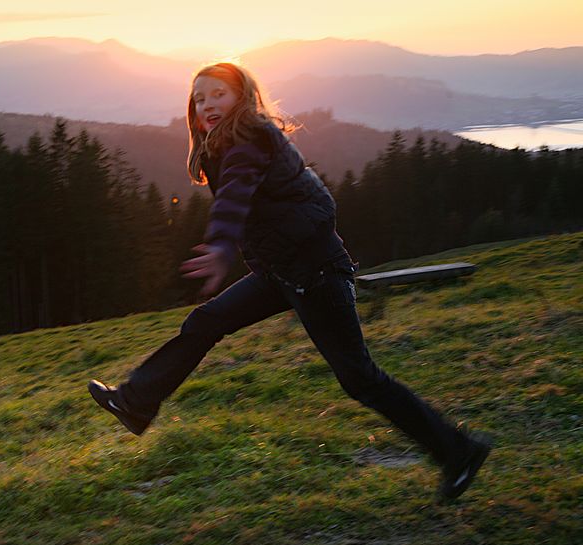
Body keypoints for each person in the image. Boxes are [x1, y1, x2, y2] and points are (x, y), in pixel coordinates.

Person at [88, 62, 491, 500]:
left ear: (242, 97)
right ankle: (135, 401)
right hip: (280, 272)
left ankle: (459, 452)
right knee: (206, 322)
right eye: (199, 97)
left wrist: (222, 245)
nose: (207, 104)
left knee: (361, 380)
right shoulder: (227, 145)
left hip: (316, 274)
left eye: (218, 94)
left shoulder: (249, 141)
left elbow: (236, 198)